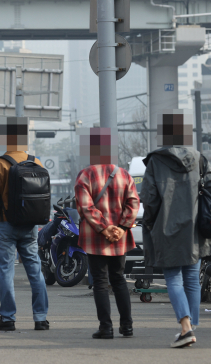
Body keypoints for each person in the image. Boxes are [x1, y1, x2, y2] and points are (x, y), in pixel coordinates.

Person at [139, 110, 211, 348]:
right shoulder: (199, 158)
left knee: (173, 279)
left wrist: (151, 222)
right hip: (195, 229)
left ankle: (185, 328)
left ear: (163, 134)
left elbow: (150, 198)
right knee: (191, 281)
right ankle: (190, 329)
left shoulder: (155, 161)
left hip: (167, 228)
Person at [0, 117, 49, 331]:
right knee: (35, 270)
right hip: (30, 224)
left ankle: (8, 318)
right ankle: (40, 318)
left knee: (5, 270)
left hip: (4, 225)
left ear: (6, 139)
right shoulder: (36, 162)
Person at [74, 128, 139, 339]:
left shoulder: (85, 175)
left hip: (95, 237)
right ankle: (127, 327)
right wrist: (121, 227)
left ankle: (106, 328)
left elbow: (85, 207)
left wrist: (104, 227)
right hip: (119, 238)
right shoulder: (124, 174)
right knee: (119, 279)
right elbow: (134, 203)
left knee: (100, 282)